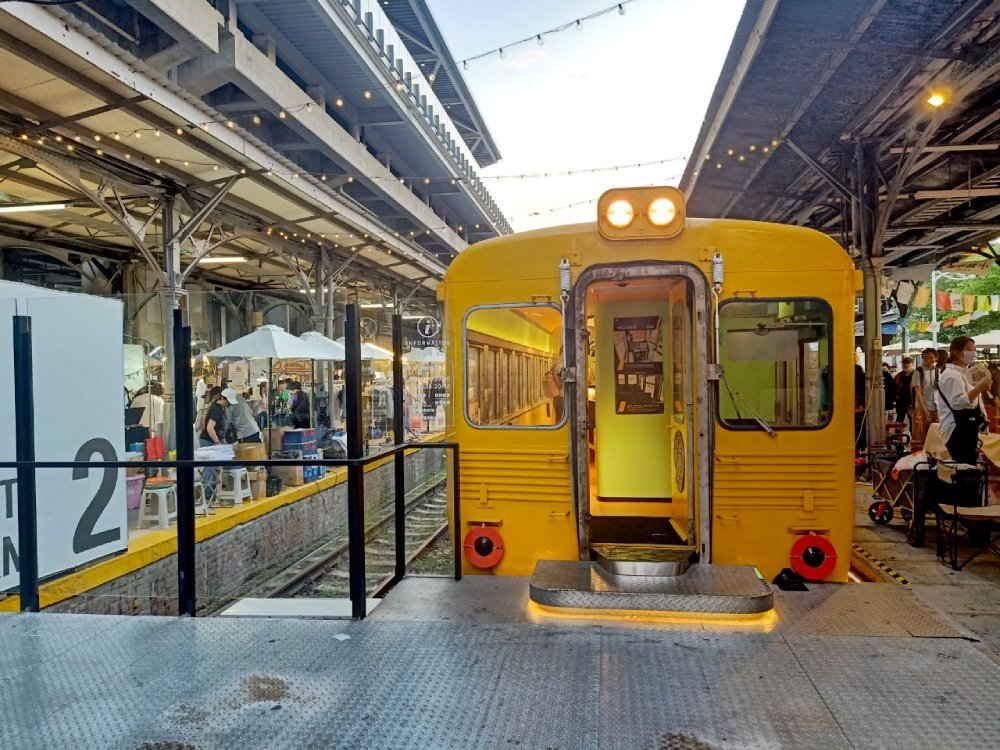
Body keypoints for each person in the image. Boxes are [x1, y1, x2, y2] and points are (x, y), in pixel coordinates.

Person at [934, 336, 991, 465]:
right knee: (963, 468)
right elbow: (958, 403)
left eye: (975, 349)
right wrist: (979, 389)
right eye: (969, 349)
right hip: (956, 429)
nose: (973, 352)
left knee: (968, 466)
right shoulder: (952, 375)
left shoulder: (965, 372)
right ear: (956, 352)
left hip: (967, 427)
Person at [199, 386, 230, 499]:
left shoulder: (221, 408)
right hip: (207, 441)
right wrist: (217, 443)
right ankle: (208, 494)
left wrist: (225, 445)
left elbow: (220, 431)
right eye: (228, 401)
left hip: (215, 440)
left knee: (214, 466)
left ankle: (214, 491)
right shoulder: (216, 409)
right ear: (222, 398)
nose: (228, 404)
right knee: (210, 467)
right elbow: (210, 428)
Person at [912, 348, 939, 443]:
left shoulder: (938, 371)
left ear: (936, 358)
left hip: (936, 406)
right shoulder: (918, 371)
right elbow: (918, 391)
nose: (928, 360)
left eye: (931, 357)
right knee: (922, 433)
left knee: (936, 433)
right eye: (925, 358)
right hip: (922, 406)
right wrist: (923, 408)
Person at [893, 357, 915, 428]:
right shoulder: (899, 376)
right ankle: (898, 437)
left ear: (912, 364)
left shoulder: (915, 375)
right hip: (900, 402)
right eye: (904, 363)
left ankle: (913, 437)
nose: (906, 365)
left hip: (912, 402)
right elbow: (894, 388)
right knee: (899, 420)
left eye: (908, 363)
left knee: (913, 421)